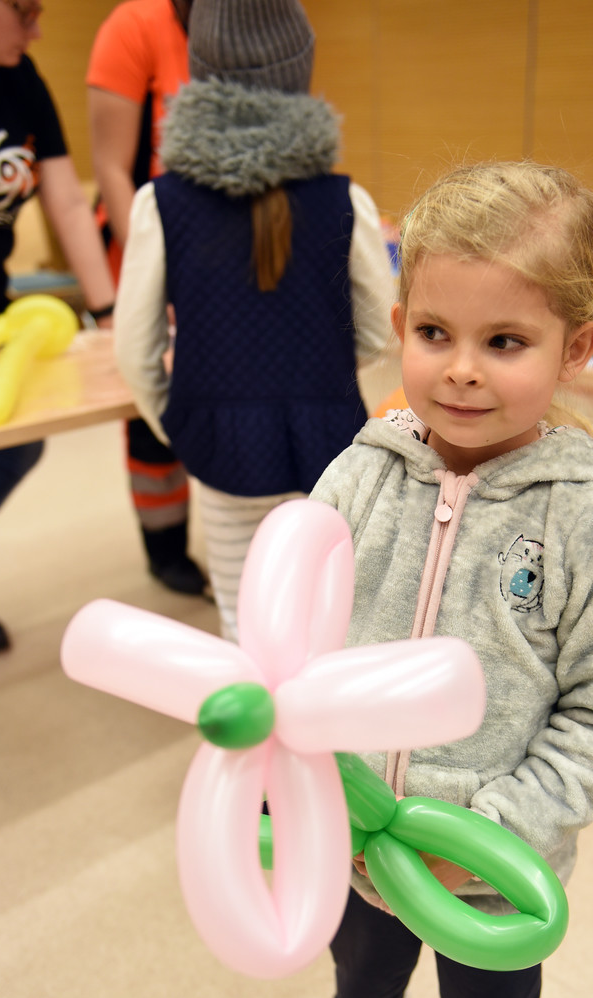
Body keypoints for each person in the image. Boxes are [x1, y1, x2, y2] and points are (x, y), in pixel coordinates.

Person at [306, 161, 593, 998]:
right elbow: (299, 639)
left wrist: (495, 829)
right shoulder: (358, 473)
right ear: (400, 326)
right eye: (434, 333)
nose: (461, 371)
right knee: (358, 975)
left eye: (504, 342)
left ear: (574, 348)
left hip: (489, 865)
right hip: (355, 835)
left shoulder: (587, 518)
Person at [114, 0, 394, 640]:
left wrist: (176, 420)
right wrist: (320, 372)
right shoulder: (345, 199)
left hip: (218, 443)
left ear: (199, 76)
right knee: (328, 617)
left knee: (244, 622)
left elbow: (134, 349)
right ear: (301, 72)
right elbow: (381, 330)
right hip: (330, 441)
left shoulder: (160, 202)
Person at [0, 0, 116, 651]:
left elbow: (66, 200)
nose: (37, 29)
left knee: (17, 443)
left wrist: (109, 312)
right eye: (24, 11)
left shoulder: (21, 79)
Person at [86, 0, 208, 598]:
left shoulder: (244, 22)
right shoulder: (134, 28)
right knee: (147, 402)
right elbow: (112, 166)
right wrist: (149, 274)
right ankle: (165, 547)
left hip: (214, 252)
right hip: (143, 243)